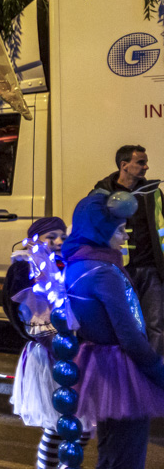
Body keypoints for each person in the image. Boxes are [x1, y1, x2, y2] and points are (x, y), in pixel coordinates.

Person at [64, 190, 164, 469]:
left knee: (111, 451)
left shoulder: (76, 263)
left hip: (99, 366)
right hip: (123, 369)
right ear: (101, 230)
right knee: (127, 456)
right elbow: (129, 333)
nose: (127, 236)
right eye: (120, 229)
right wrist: (157, 369)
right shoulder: (103, 271)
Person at [5, 217, 90, 468]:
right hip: (50, 357)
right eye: (51, 236)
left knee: (80, 427)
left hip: (73, 353)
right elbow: (22, 314)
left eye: (62, 236)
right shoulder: (24, 267)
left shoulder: (67, 264)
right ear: (35, 239)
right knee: (57, 427)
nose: (58, 241)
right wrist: (53, 343)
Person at [94, 145, 164, 354]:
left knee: (156, 326)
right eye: (141, 162)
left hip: (152, 268)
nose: (146, 167)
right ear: (125, 165)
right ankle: (128, 373)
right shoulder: (102, 194)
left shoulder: (152, 192)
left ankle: (155, 375)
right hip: (119, 270)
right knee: (125, 325)